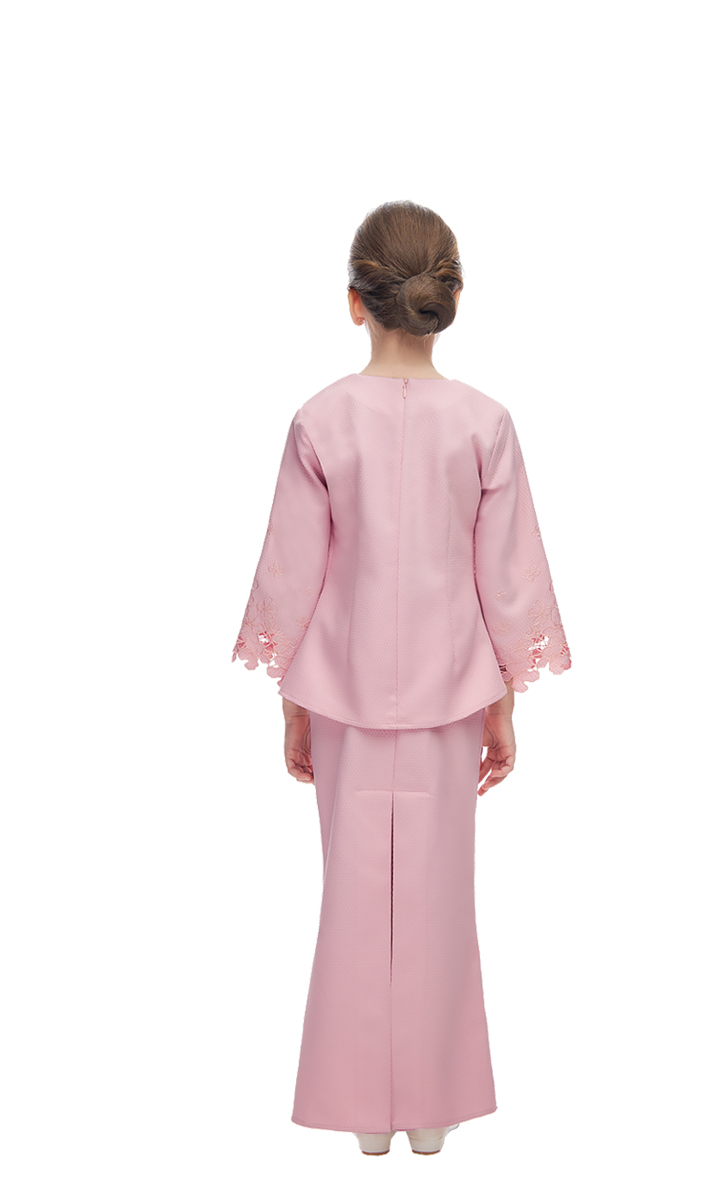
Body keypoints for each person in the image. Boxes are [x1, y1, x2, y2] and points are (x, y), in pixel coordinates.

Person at [231, 200, 572, 1157]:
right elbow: (507, 576)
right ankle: (431, 1110)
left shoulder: (319, 420)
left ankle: (361, 1116)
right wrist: (505, 700)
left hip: (340, 692)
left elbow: (294, 574)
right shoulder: (485, 423)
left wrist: (293, 703)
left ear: (355, 302)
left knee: (351, 899)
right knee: (438, 902)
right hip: (453, 691)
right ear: (449, 299)